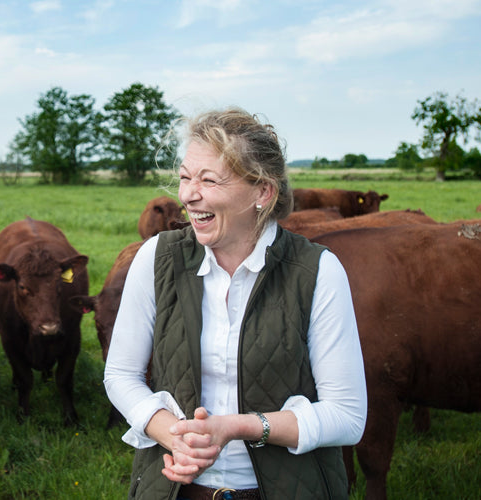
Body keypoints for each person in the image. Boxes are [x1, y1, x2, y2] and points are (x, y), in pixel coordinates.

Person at [103, 108, 367, 500]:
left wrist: (239, 426)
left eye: (208, 180)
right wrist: (176, 438)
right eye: (185, 178)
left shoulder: (317, 271)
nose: (188, 196)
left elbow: (347, 416)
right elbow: (120, 375)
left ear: (263, 192)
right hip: (177, 488)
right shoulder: (157, 258)